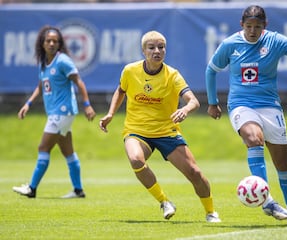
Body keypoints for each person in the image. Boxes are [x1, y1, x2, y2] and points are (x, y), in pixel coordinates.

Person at [205, 5, 287, 227]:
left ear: (265, 26)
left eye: (258, 27)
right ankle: (267, 201)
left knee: (283, 165)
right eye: (249, 26)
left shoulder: (275, 41)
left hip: (270, 107)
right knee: (253, 138)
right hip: (241, 105)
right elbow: (211, 70)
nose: (253, 31)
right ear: (241, 25)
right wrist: (213, 103)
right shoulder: (230, 44)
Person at [99, 31, 221, 223]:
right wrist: (110, 114)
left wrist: (185, 109)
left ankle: (211, 212)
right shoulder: (130, 71)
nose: (157, 51)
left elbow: (194, 101)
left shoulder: (172, 75)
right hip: (136, 130)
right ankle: (164, 202)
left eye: (161, 47)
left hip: (166, 131)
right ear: (143, 50)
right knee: (136, 159)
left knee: (195, 173)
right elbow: (120, 90)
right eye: (152, 47)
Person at [13, 25, 96, 199]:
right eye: (48, 41)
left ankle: (32, 188)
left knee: (43, 147)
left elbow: (79, 82)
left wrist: (87, 105)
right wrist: (28, 103)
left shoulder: (63, 61)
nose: (51, 43)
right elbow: (41, 86)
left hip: (63, 111)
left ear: (59, 44)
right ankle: (78, 190)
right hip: (56, 113)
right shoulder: (43, 63)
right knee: (68, 151)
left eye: (55, 41)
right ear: (42, 44)